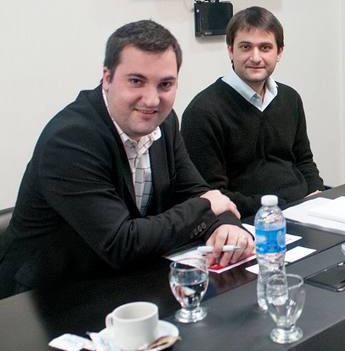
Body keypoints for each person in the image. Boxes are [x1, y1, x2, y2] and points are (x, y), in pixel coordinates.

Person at [0, 21, 253, 300]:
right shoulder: (70, 140)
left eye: (165, 84)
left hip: (123, 279)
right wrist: (206, 207)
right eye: (136, 81)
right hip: (44, 297)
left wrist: (225, 225)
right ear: (107, 78)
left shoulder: (165, 122)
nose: (152, 100)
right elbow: (122, 243)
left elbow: (196, 191)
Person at [182, 7, 323, 217]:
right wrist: (276, 209)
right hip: (246, 221)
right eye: (246, 47)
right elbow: (211, 193)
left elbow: (304, 161)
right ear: (230, 50)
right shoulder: (202, 112)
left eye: (265, 48)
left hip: (302, 209)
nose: (256, 58)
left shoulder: (290, 98)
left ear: (279, 52)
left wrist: (318, 196)